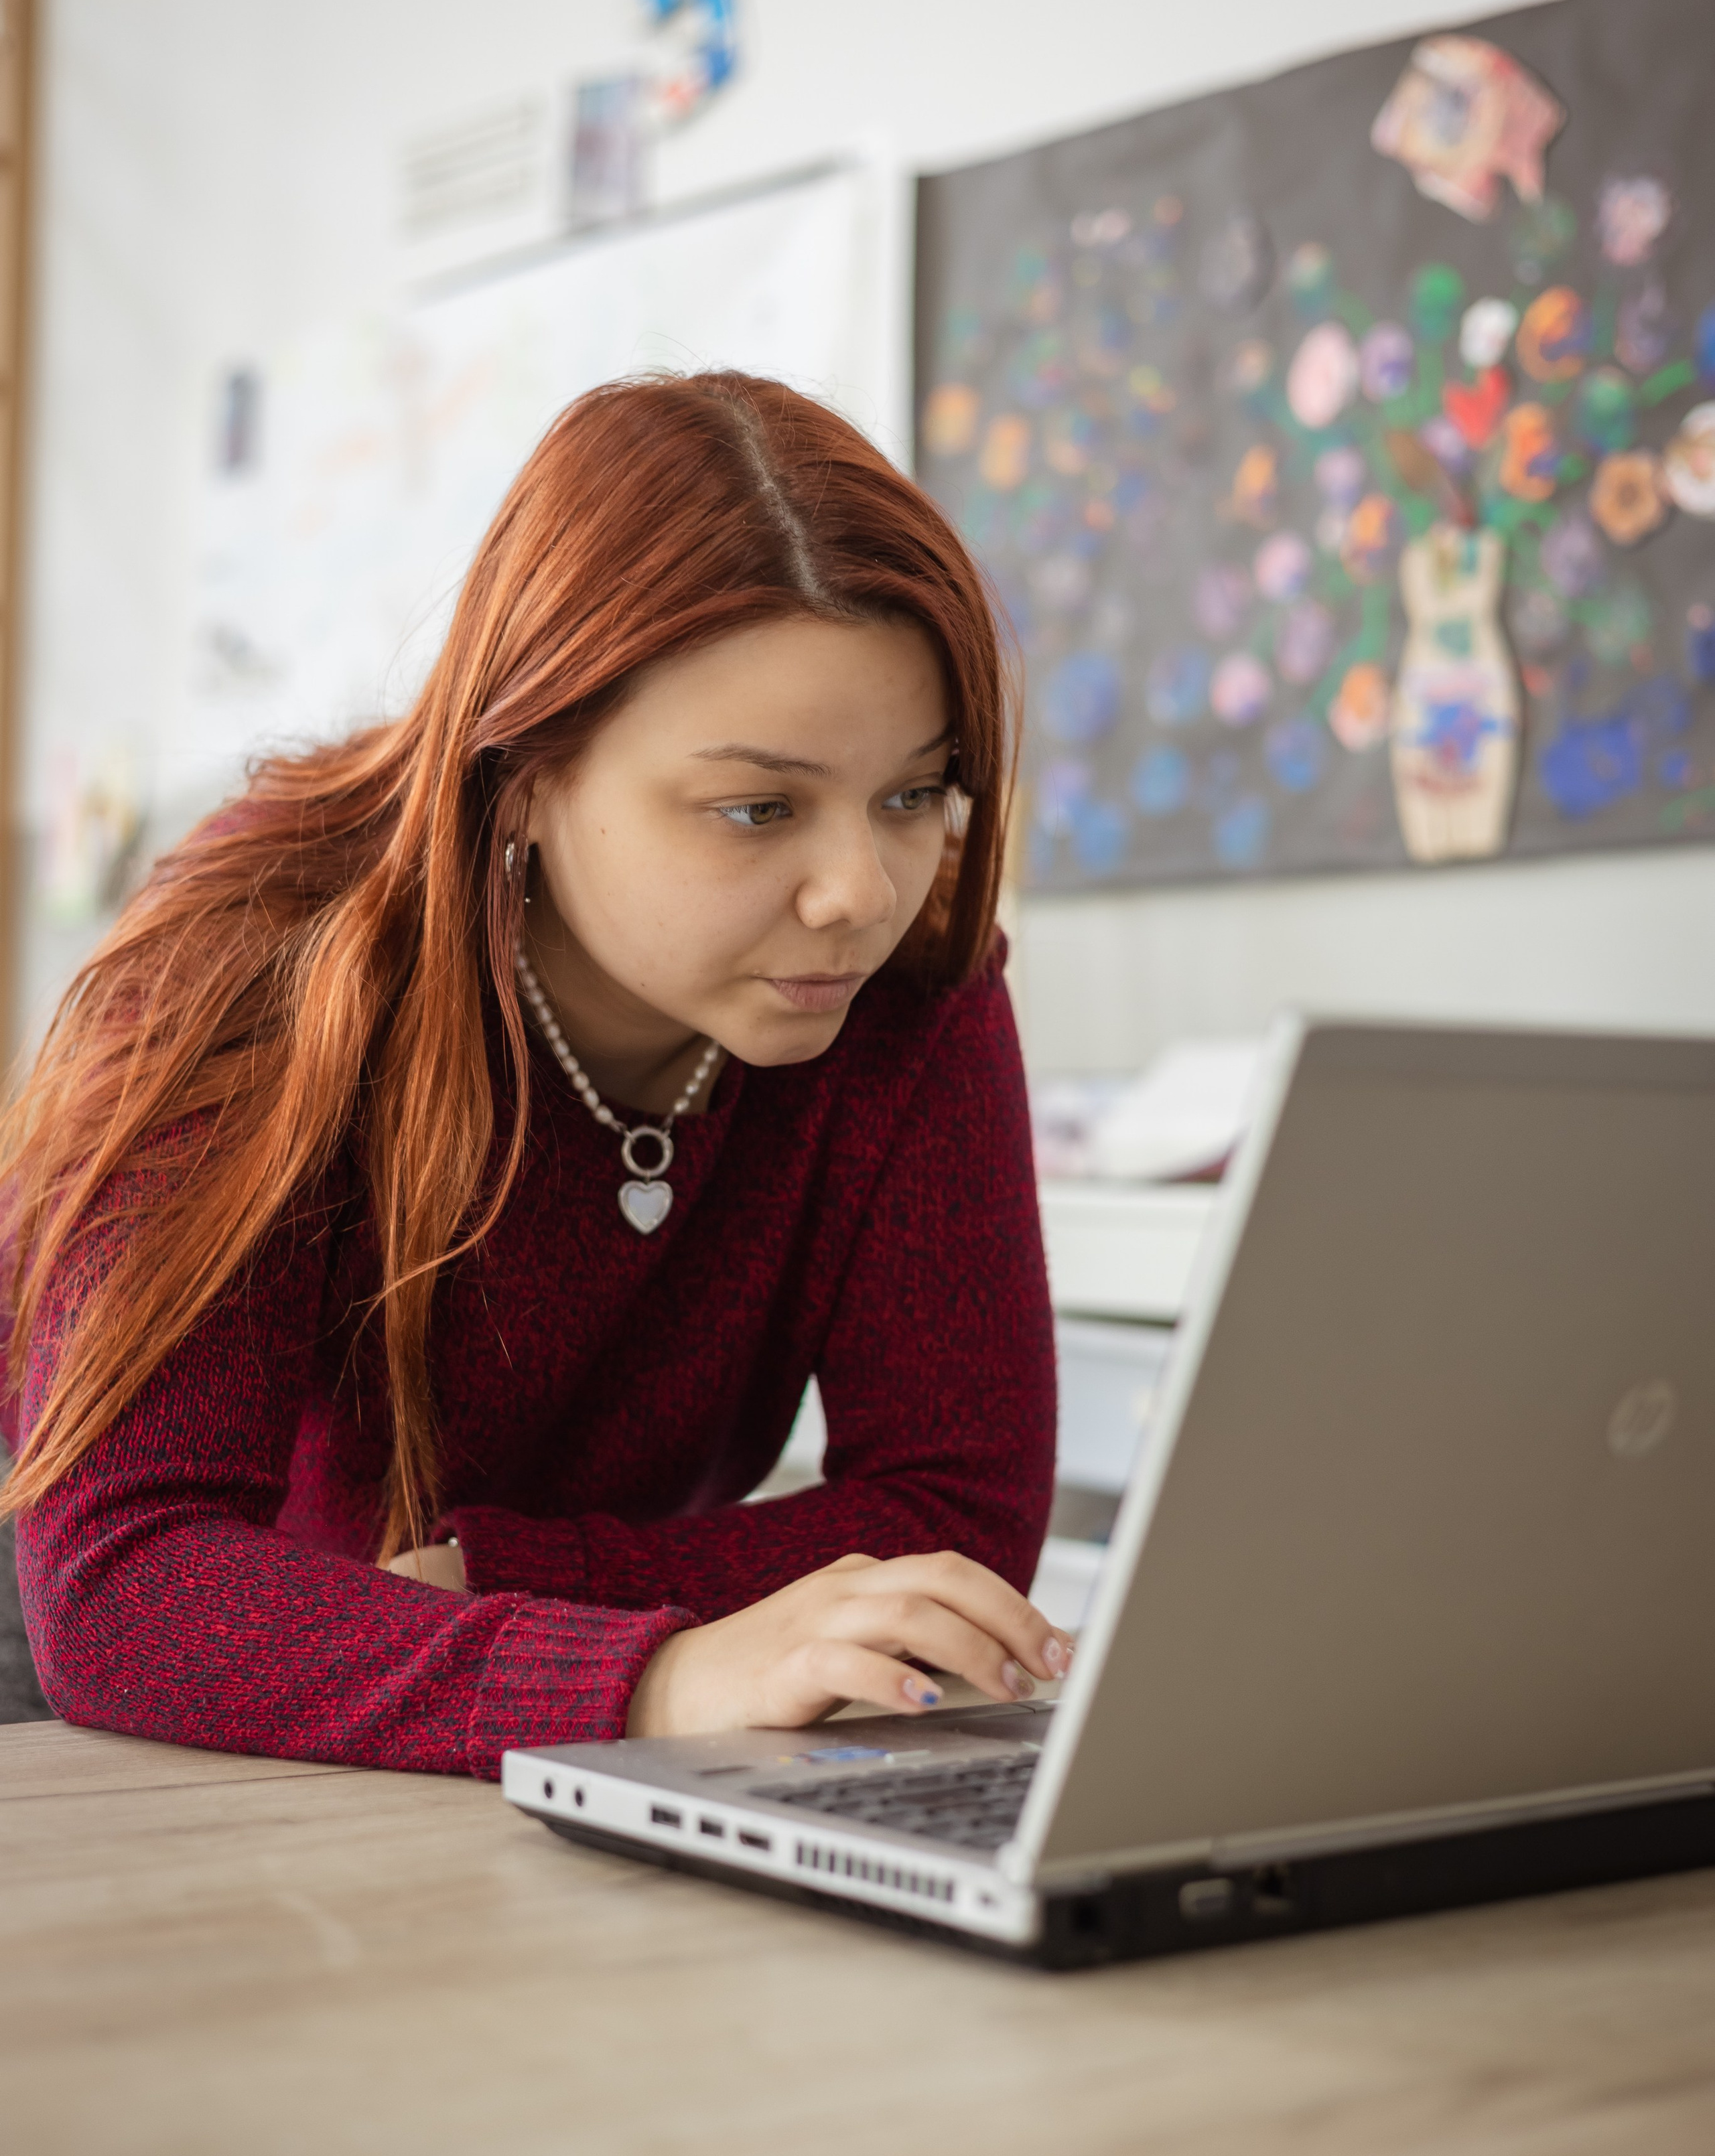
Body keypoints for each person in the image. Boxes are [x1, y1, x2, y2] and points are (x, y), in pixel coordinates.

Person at [0, 374, 1061, 1778]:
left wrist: (515, 1583)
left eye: (911, 796)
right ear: (532, 768)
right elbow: (134, 1589)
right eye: (757, 809)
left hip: (514, 1699)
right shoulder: (251, 962)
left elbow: (954, 1518)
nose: (858, 893)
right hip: (132, 1705)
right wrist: (656, 1676)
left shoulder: (911, 987)